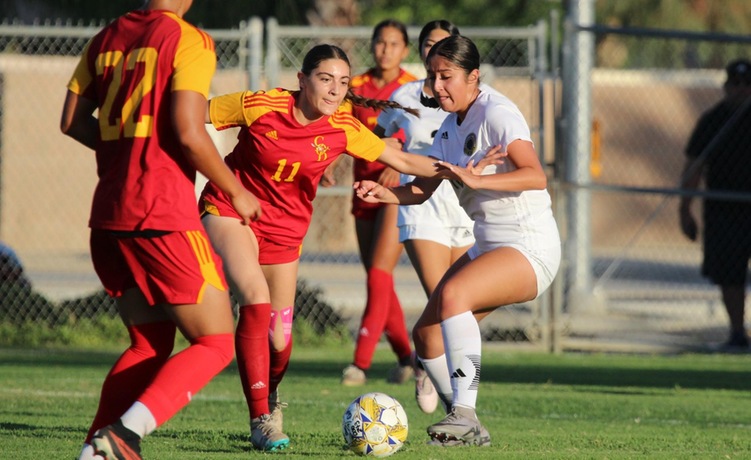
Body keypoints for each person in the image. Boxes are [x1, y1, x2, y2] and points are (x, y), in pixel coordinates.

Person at [197, 43, 497, 452]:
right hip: (229, 209)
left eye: (342, 82)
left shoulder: (342, 127)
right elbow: (189, 120)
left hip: (286, 232)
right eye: (325, 79)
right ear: (302, 80)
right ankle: (261, 419)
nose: (335, 90)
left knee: (280, 339)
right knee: (254, 297)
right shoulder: (260, 104)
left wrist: (463, 172)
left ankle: (270, 395)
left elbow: (404, 160)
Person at [60, 1, 261, 459]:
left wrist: (125, 151)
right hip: (161, 213)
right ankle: (123, 436)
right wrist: (235, 191)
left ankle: (94, 452)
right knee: (214, 342)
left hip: (110, 212)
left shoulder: (105, 37)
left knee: (150, 343)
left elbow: (71, 120)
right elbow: (189, 132)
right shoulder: (188, 38)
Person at [354, 35, 561, 447]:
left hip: (530, 246)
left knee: (454, 297)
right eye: (433, 76)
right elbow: (423, 186)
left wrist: (474, 177)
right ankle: (465, 423)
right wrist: (386, 194)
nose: (437, 85)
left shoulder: (497, 112)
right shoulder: (449, 127)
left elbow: (535, 175)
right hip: (490, 247)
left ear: (473, 76)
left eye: (446, 76)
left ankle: (463, 415)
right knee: (427, 337)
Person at [373, 20, 491, 414]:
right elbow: (379, 135)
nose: (434, 51)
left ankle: (430, 360)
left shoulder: (475, 101)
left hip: (460, 202)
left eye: (444, 45)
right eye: (428, 44)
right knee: (441, 299)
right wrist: (387, 150)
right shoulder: (405, 93)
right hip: (421, 204)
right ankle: (457, 409)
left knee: (459, 308)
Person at [338, 19, 419, 387]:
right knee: (378, 279)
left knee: (378, 274)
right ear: (372, 46)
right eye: (380, 42)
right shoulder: (355, 87)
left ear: (404, 49)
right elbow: (336, 130)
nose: (385, 49)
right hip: (362, 189)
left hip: (395, 193)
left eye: (393, 43)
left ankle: (359, 364)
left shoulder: (413, 89)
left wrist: (396, 166)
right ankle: (408, 358)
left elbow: (414, 141)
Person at [679, 58, 751, 351]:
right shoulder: (712, 121)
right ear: (726, 87)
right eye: (736, 84)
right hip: (724, 210)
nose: (741, 90)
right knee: (729, 274)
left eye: (748, 85)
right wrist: (684, 210)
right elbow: (693, 167)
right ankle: (737, 333)